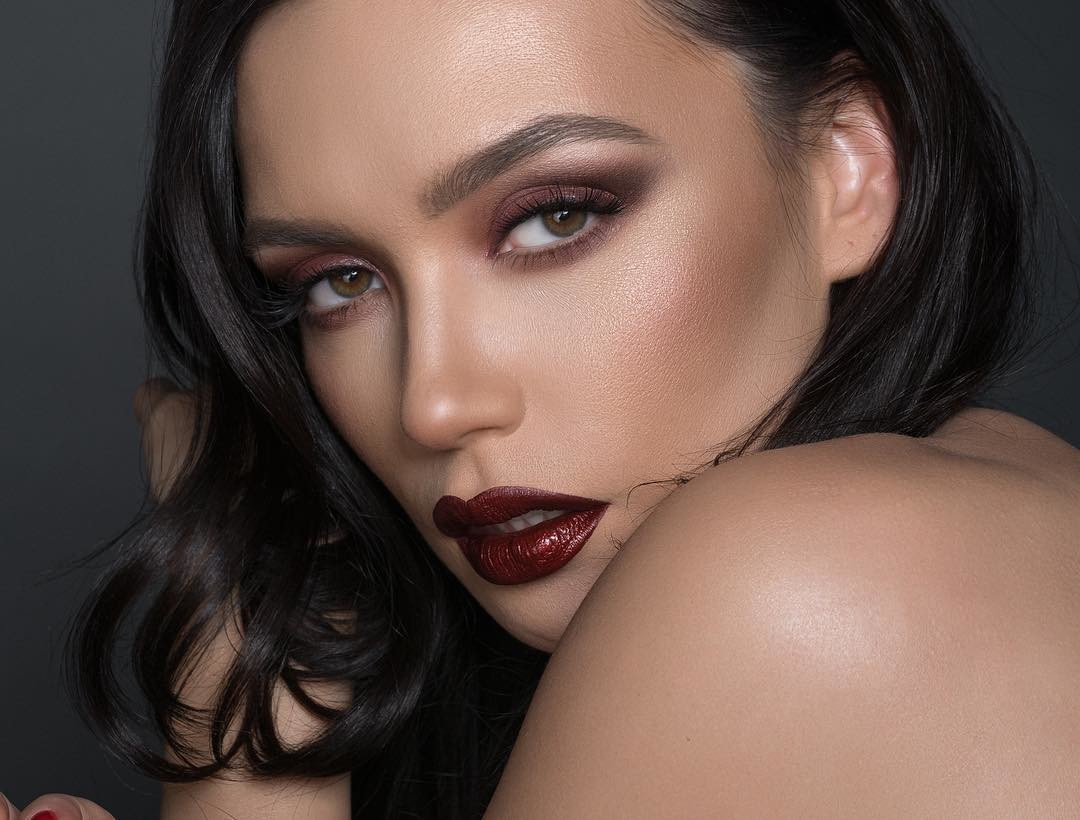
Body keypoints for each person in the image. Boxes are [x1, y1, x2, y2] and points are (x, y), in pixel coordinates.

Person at [8, 0, 1080, 817]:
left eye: (555, 217)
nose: (433, 404)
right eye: (339, 280)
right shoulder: (1001, 495)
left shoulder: (798, 573)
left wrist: (236, 681)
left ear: (847, 164)